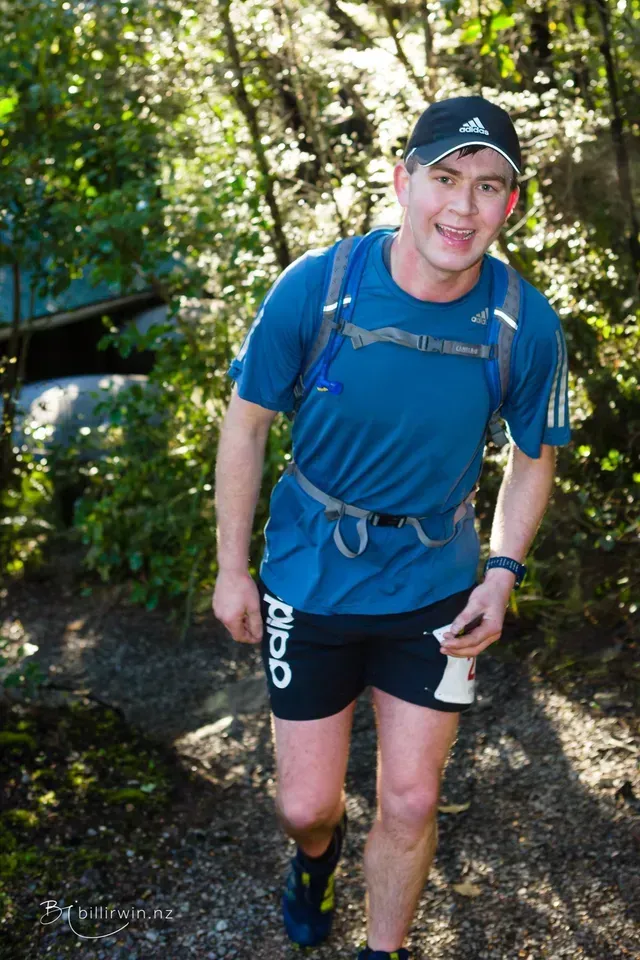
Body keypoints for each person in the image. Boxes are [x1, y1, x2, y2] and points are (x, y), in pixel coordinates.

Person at [213, 96, 571, 960]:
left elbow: (534, 456)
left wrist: (501, 571)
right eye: (444, 179)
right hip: (311, 573)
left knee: (411, 798)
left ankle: (385, 950)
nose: (462, 207)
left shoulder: (524, 323)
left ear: (509, 206)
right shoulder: (319, 288)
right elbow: (246, 423)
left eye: (488, 188)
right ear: (402, 180)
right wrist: (233, 568)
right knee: (307, 805)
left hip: (436, 585)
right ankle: (316, 862)